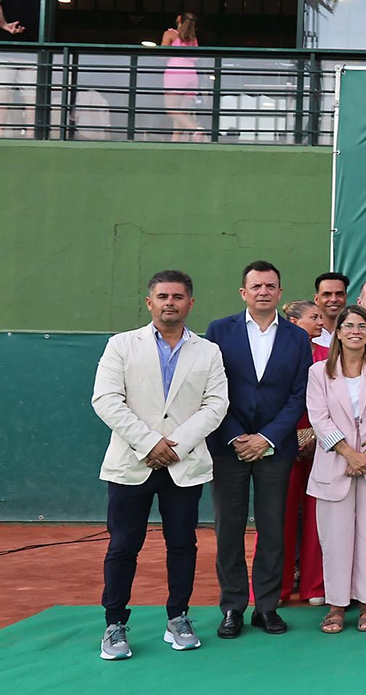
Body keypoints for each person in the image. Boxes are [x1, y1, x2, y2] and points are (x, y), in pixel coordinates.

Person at [91, 270, 229, 660]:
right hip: (131, 463)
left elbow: (216, 405)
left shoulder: (208, 351)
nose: (171, 302)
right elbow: (106, 400)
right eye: (163, 296)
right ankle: (114, 625)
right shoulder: (121, 346)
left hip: (183, 466)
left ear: (190, 303)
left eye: (178, 296)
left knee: (182, 544)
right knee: (123, 545)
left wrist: (178, 445)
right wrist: (150, 442)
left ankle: (178, 618)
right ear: (149, 302)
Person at [205, 260, 314, 638]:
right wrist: (237, 437)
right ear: (243, 292)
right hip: (228, 446)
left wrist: (266, 438)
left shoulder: (298, 338)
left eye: (270, 286)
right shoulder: (219, 331)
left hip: (276, 449)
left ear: (280, 292)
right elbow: (212, 391)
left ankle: (265, 607)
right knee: (229, 530)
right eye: (256, 286)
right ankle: (233, 606)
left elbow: (299, 395)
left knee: (272, 529)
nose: (263, 291)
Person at [305, 306, 366, 634]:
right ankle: (336, 607)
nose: (355, 331)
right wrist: (349, 453)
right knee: (334, 539)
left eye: (361, 325)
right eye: (348, 326)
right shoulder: (319, 372)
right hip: (334, 465)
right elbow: (319, 419)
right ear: (338, 331)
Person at [281, 300, 329, 608]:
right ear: (295, 321)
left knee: (318, 517)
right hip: (281, 445)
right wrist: (289, 436)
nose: (321, 322)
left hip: (322, 445)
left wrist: (315, 436)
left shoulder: (328, 356)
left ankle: (314, 586)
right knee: (278, 516)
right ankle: (277, 587)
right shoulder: (277, 354)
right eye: (314, 317)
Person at [0, 0, 38, 138]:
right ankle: (32, 135)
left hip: (7, 53)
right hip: (34, 54)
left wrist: (4, 25)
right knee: (32, 99)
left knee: (3, 97)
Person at [160, 12, 201, 142]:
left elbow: (162, 54)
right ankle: (175, 142)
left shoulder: (170, 34)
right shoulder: (193, 39)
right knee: (181, 113)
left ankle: (196, 129)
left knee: (171, 110)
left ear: (178, 19)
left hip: (175, 74)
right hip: (192, 76)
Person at [311, 272, 350, 349]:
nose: (333, 299)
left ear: (346, 297)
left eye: (339, 294)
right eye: (327, 294)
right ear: (316, 299)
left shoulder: (356, 332)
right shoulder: (305, 334)